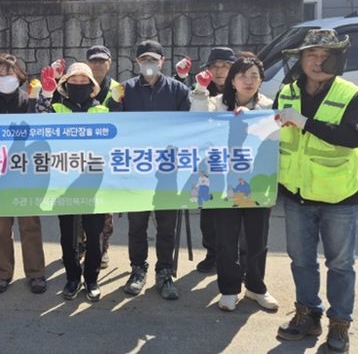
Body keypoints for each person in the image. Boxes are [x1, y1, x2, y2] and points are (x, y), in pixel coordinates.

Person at [274, 29, 358, 354]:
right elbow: (273, 130)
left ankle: (339, 324)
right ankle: (307, 314)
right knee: (301, 261)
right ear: (300, 59)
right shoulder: (287, 91)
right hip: (296, 193)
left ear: (337, 59)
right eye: (311, 55)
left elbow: (355, 136)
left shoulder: (352, 95)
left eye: (325, 56)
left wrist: (305, 122)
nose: (317, 62)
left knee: (340, 264)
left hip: (337, 197)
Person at [190, 56, 279, 312]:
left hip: (258, 183)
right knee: (226, 239)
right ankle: (229, 289)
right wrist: (200, 90)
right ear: (232, 81)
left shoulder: (269, 106)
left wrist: (255, 121)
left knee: (256, 239)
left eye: (254, 76)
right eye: (242, 76)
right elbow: (197, 121)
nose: (248, 81)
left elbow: (275, 139)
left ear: (261, 80)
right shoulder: (217, 103)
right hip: (222, 182)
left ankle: (256, 287)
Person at [108, 39, 190, 300]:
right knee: (137, 224)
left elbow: (191, 125)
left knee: (167, 225)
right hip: (137, 167)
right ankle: (137, 269)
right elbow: (113, 125)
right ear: (137, 62)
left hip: (168, 168)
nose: (149, 64)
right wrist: (114, 102)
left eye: (153, 59)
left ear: (162, 61)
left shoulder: (178, 89)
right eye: (144, 59)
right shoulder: (125, 89)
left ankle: (164, 272)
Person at [0, 53, 47, 294]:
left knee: (30, 225)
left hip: (25, 173)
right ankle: (2, 273)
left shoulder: (27, 99)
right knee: (0, 228)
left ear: (20, 76)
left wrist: (35, 101)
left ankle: (36, 273)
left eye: (9, 73)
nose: (5, 77)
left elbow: (36, 134)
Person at [35, 62, 108, 302]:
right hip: (63, 181)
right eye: (73, 81)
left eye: (83, 81)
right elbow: (39, 125)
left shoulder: (102, 111)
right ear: (65, 85)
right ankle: (72, 278)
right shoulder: (56, 108)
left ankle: (92, 279)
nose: (78, 85)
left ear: (92, 85)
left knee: (94, 235)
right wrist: (45, 94)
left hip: (94, 182)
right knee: (68, 235)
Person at [187, 47, 237, 274]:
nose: (219, 71)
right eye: (214, 66)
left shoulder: (243, 89)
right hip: (207, 162)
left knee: (236, 212)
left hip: (236, 162)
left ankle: (235, 257)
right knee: (208, 212)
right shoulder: (199, 89)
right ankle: (212, 253)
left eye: (225, 66)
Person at [85, 45, 119, 268]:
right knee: (80, 204)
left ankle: (104, 247)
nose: (97, 65)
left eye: (102, 61)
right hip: (79, 157)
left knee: (105, 205)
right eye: (93, 61)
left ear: (109, 64)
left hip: (106, 156)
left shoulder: (118, 89)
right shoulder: (76, 83)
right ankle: (81, 244)